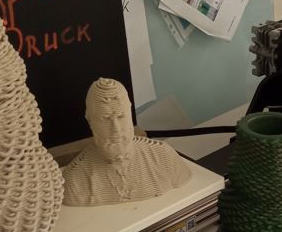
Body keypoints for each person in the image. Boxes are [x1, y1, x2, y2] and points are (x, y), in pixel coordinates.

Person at [62, 77, 190, 206]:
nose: (116, 129)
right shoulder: (75, 181)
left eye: (121, 116)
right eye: (105, 118)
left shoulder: (163, 157)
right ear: (90, 121)